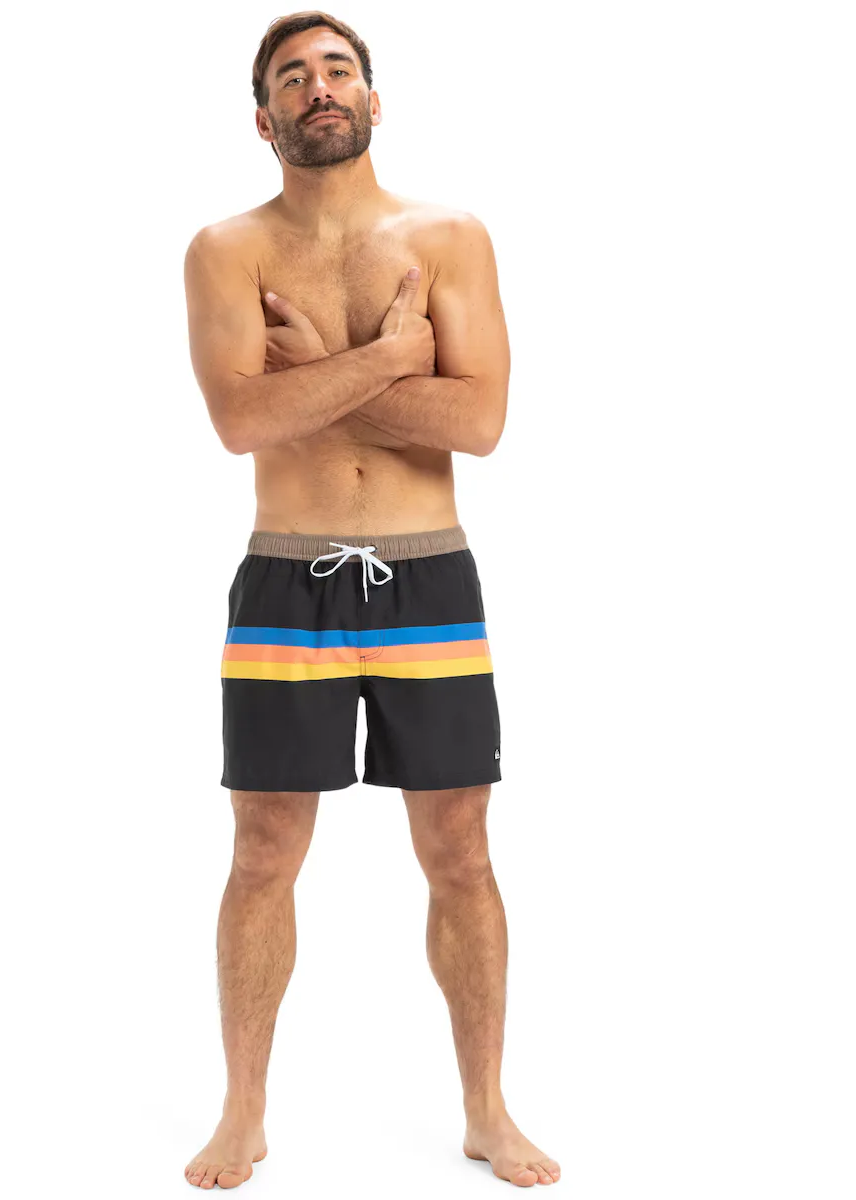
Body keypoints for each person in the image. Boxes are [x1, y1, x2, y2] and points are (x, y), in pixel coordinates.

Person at [181, 11, 560, 1190]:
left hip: (427, 574)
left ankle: (486, 1108)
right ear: (264, 119)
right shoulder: (225, 250)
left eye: (339, 69)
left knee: (461, 849)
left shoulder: (450, 237)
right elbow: (241, 419)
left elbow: (479, 422)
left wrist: (316, 375)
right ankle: (243, 1111)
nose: (319, 85)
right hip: (285, 578)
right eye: (292, 76)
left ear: (374, 100)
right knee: (262, 852)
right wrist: (394, 359)